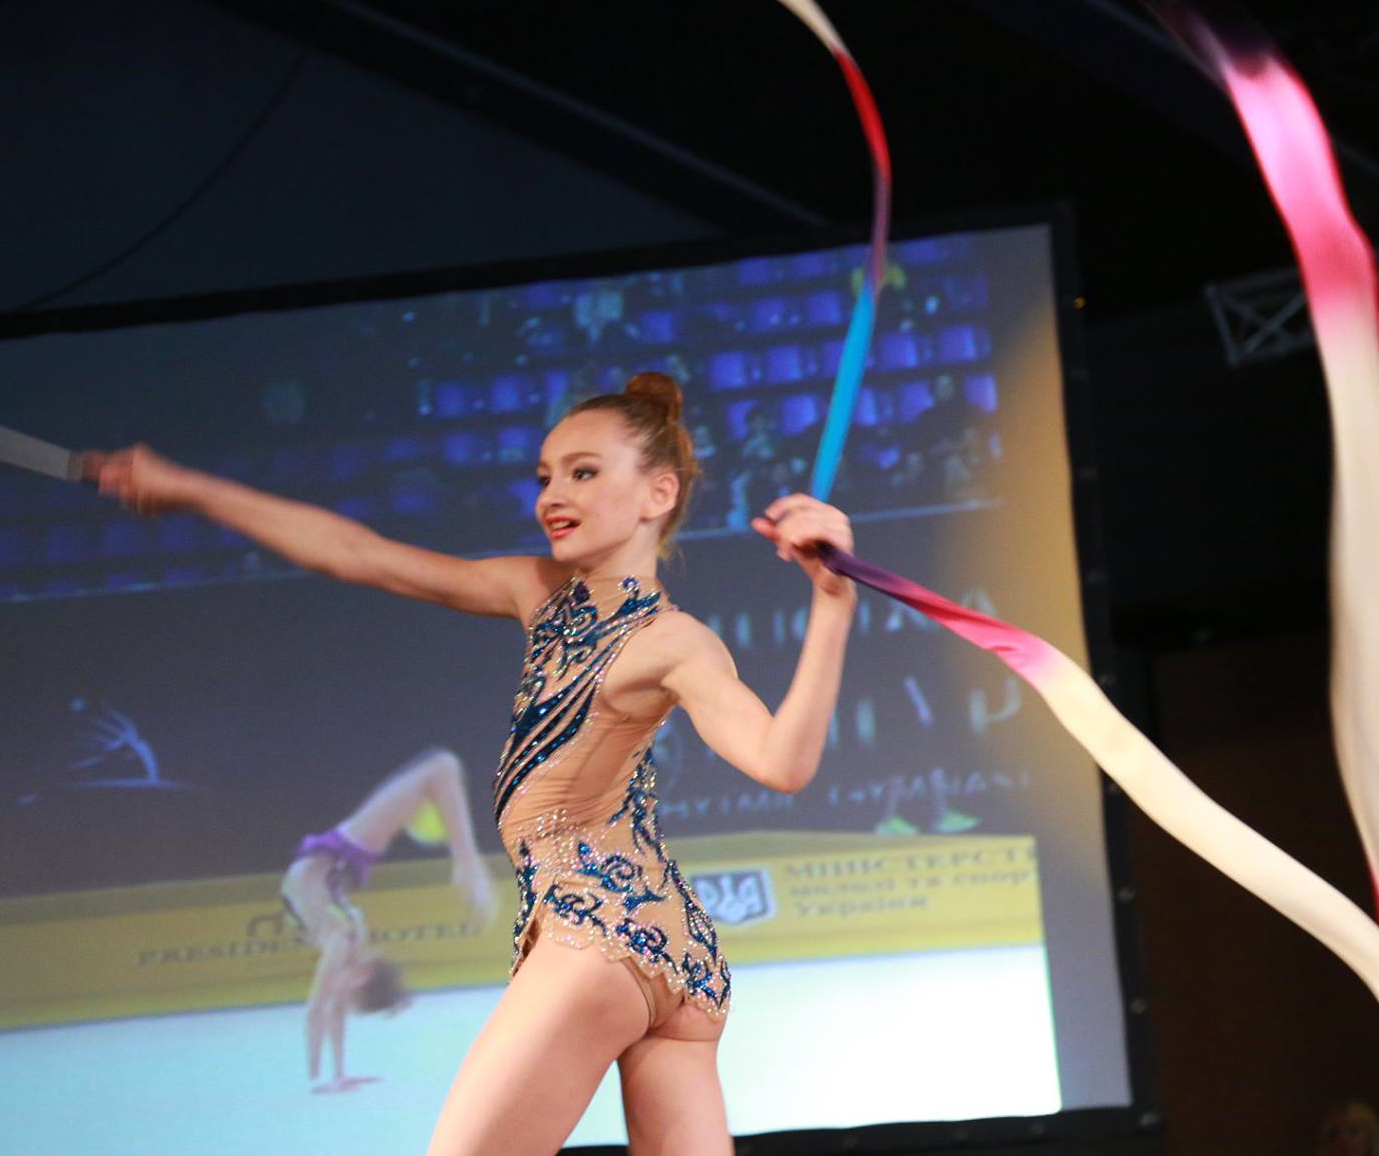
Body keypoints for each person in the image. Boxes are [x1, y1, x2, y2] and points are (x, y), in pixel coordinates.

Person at [85, 370, 857, 1155]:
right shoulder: (539, 593)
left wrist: (832, 603)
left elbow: (780, 761)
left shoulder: (671, 641)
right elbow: (360, 555)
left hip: (598, 931)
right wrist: (189, 488)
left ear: (658, 493)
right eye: (545, 477)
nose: (552, 495)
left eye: (584, 472)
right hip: (678, 956)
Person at [281, 746, 496, 1095]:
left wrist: (338, 1074)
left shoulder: (349, 940)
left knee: (437, 774)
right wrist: (318, 1078)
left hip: (334, 863)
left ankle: (464, 858)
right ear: (362, 976)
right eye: (351, 996)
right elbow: (318, 1009)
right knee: (441, 767)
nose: (341, 996)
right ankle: (466, 861)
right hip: (340, 853)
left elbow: (331, 1009)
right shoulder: (344, 942)